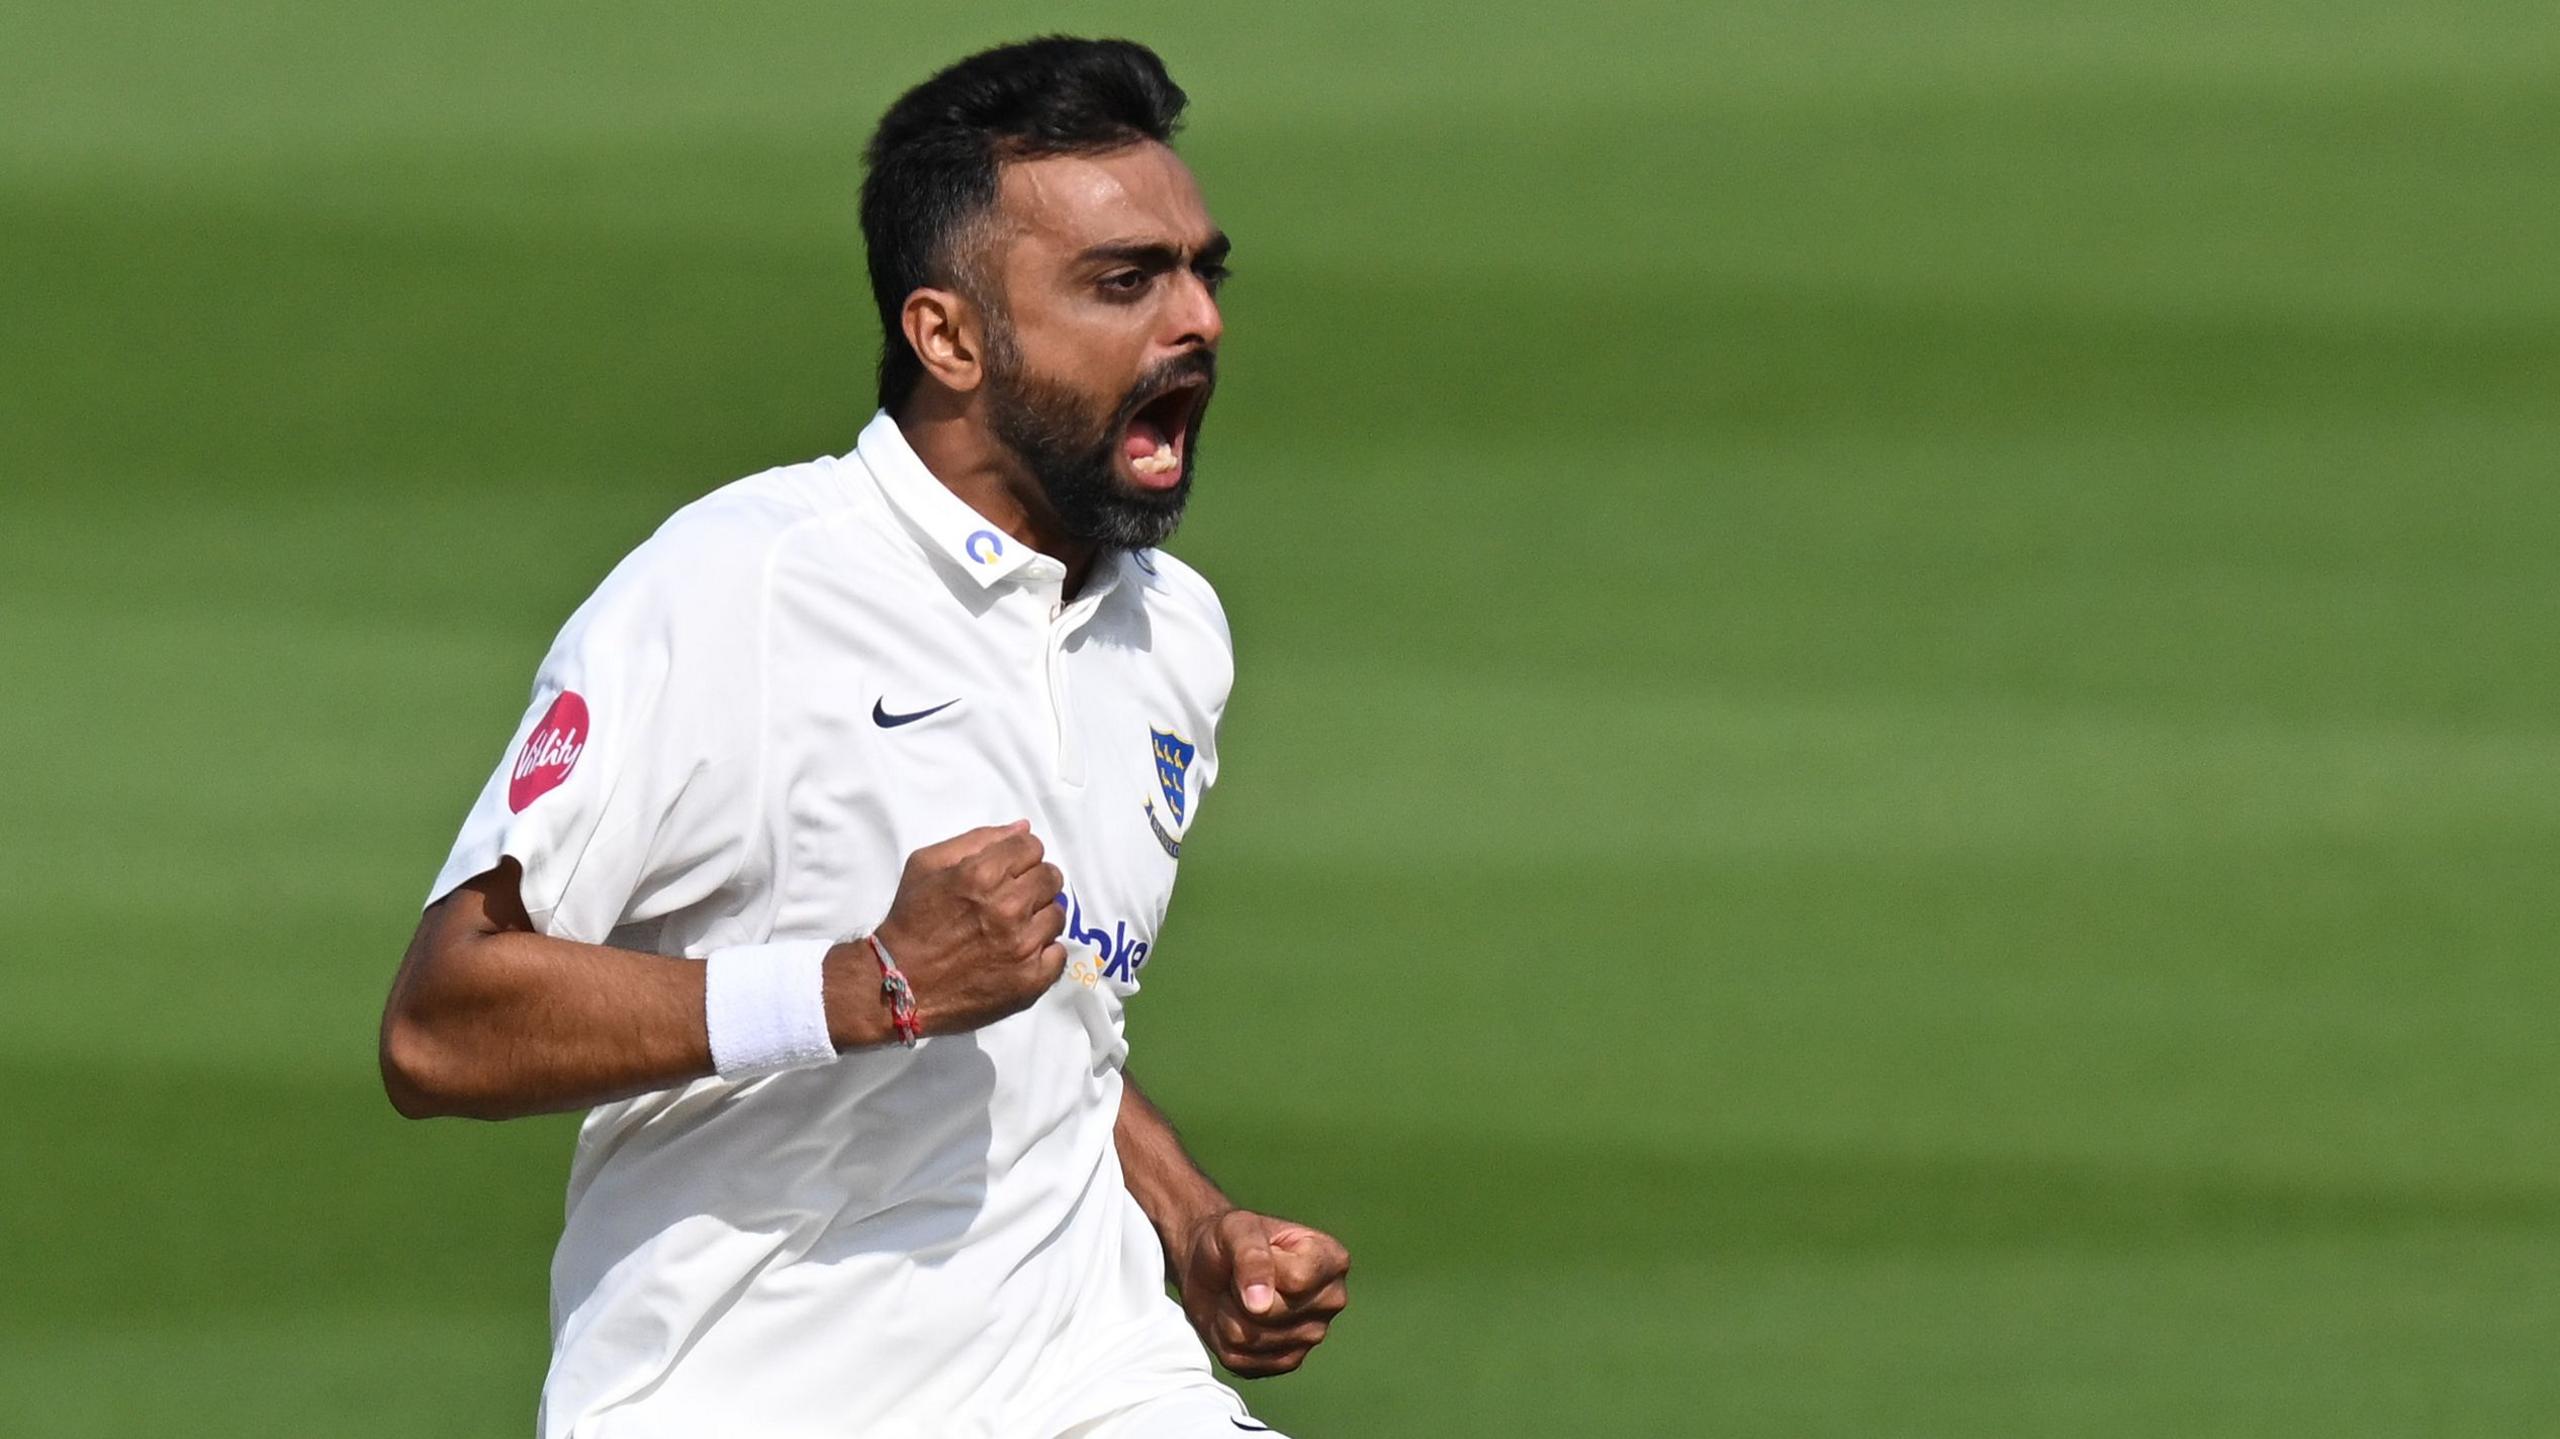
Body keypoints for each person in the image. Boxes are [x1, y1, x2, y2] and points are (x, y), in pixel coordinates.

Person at [378, 36, 1350, 1439]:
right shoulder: (739, 590)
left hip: (1093, 1386)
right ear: (947, 335)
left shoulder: (1171, 632)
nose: (1195, 320)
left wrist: (1191, 1223)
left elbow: (1055, 1018)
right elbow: (441, 1025)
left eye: (1204, 270)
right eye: (1124, 281)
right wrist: (861, 984)